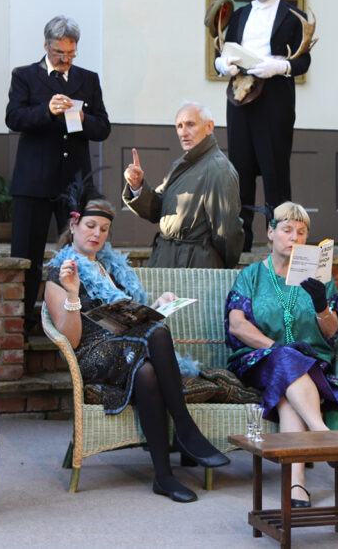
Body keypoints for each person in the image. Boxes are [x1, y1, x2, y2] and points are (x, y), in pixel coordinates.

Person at [43, 197, 230, 503]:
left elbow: (130, 316)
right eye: (90, 226)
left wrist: (157, 307)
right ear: (74, 224)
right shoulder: (59, 272)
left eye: (104, 229)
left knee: (148, 373)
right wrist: (73, 292)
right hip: (94, 355)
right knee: (156, 333)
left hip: (129, 350)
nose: (97, 234)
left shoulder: (112, 268)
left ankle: (164, 476)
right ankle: (185, 428)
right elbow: (71, 339)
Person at [224, 201, 338, 508]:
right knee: (285, 361)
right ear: (270, 233)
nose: (293, 237)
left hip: (309, 364)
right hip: (257, 358)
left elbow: (333, 332)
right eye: (286, 230)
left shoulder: (320, 276)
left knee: (286, 386)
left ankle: (297, 485)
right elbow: (237, 325)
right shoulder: (252, 275)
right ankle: (324, 433)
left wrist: (322, 305)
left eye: (301, 231)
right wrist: (276, 348)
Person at [6, 15, 111, 337]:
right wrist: (46, 110)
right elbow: (13, 118)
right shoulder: (24, 76)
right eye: (58, 53)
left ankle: (82, 323)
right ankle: (22, 326)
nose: (65, 59)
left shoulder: (88, 79)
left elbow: (104, 127)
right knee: (28, 256)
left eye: (71, 53)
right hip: (33, 183)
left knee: (80, 253)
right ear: (45, 45)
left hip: (74, 183)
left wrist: (82, 116)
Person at [214, 0, 311, 251]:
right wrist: (222, 65)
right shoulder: (240, 16)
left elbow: (304, 61)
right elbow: (224, 52)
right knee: (240, 170)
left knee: (275, 171)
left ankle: (282, 241)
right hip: (240, 98)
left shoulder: (293, 15)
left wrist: (278, 68)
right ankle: (240, 241)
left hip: (275, 101)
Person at [122, 102, 243, 268]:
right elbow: (159, 207)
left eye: (190, 125)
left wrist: (217, 264)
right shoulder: (182, 163)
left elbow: (227, 232)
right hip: (166, 258)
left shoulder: (218, 169)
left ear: (209, 127)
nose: (183, 133)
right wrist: (137, 186)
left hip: (195, 265)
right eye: (179, 126)